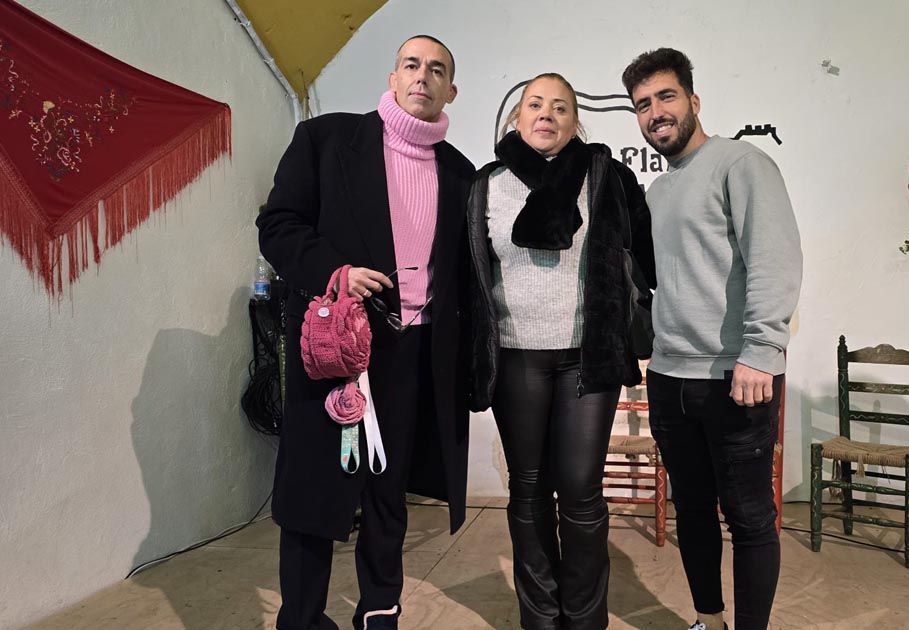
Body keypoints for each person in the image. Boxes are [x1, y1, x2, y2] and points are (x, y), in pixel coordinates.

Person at [257, 35, 474, 630]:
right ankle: (301, 618)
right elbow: (276, 226)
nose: (422, 77)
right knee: (313, 489)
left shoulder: (461, 173)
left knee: (388, 490)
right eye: (411, 64)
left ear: (451, 90)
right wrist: (336, 271)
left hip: (414, 351)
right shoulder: (326, 140)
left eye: (437, 70)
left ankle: (380, 607)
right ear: (393, 75)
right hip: (335, 347)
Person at [465, 72, 655, 630]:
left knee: (579, 488)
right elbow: (469, 273)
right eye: (535, 104)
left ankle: (584, 616)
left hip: (585, 356)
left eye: (561, 107)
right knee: (528, 487)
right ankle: (540, 616)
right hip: (515, 353)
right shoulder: (486, 185)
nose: (547, 114)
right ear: (516, 119)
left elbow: (645, 253)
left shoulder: (607, 178)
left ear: (576, 122)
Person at [621, 48, 803, 630]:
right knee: (692, 512)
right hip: (671, 379)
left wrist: (761, 350)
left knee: (748, 517)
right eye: (643, 105)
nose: (656, 113)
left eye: (666, 97)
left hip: (736, 377)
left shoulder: (741, 164)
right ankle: (709, 620)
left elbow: (774, 260)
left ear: (694, 101)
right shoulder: (658, 193)